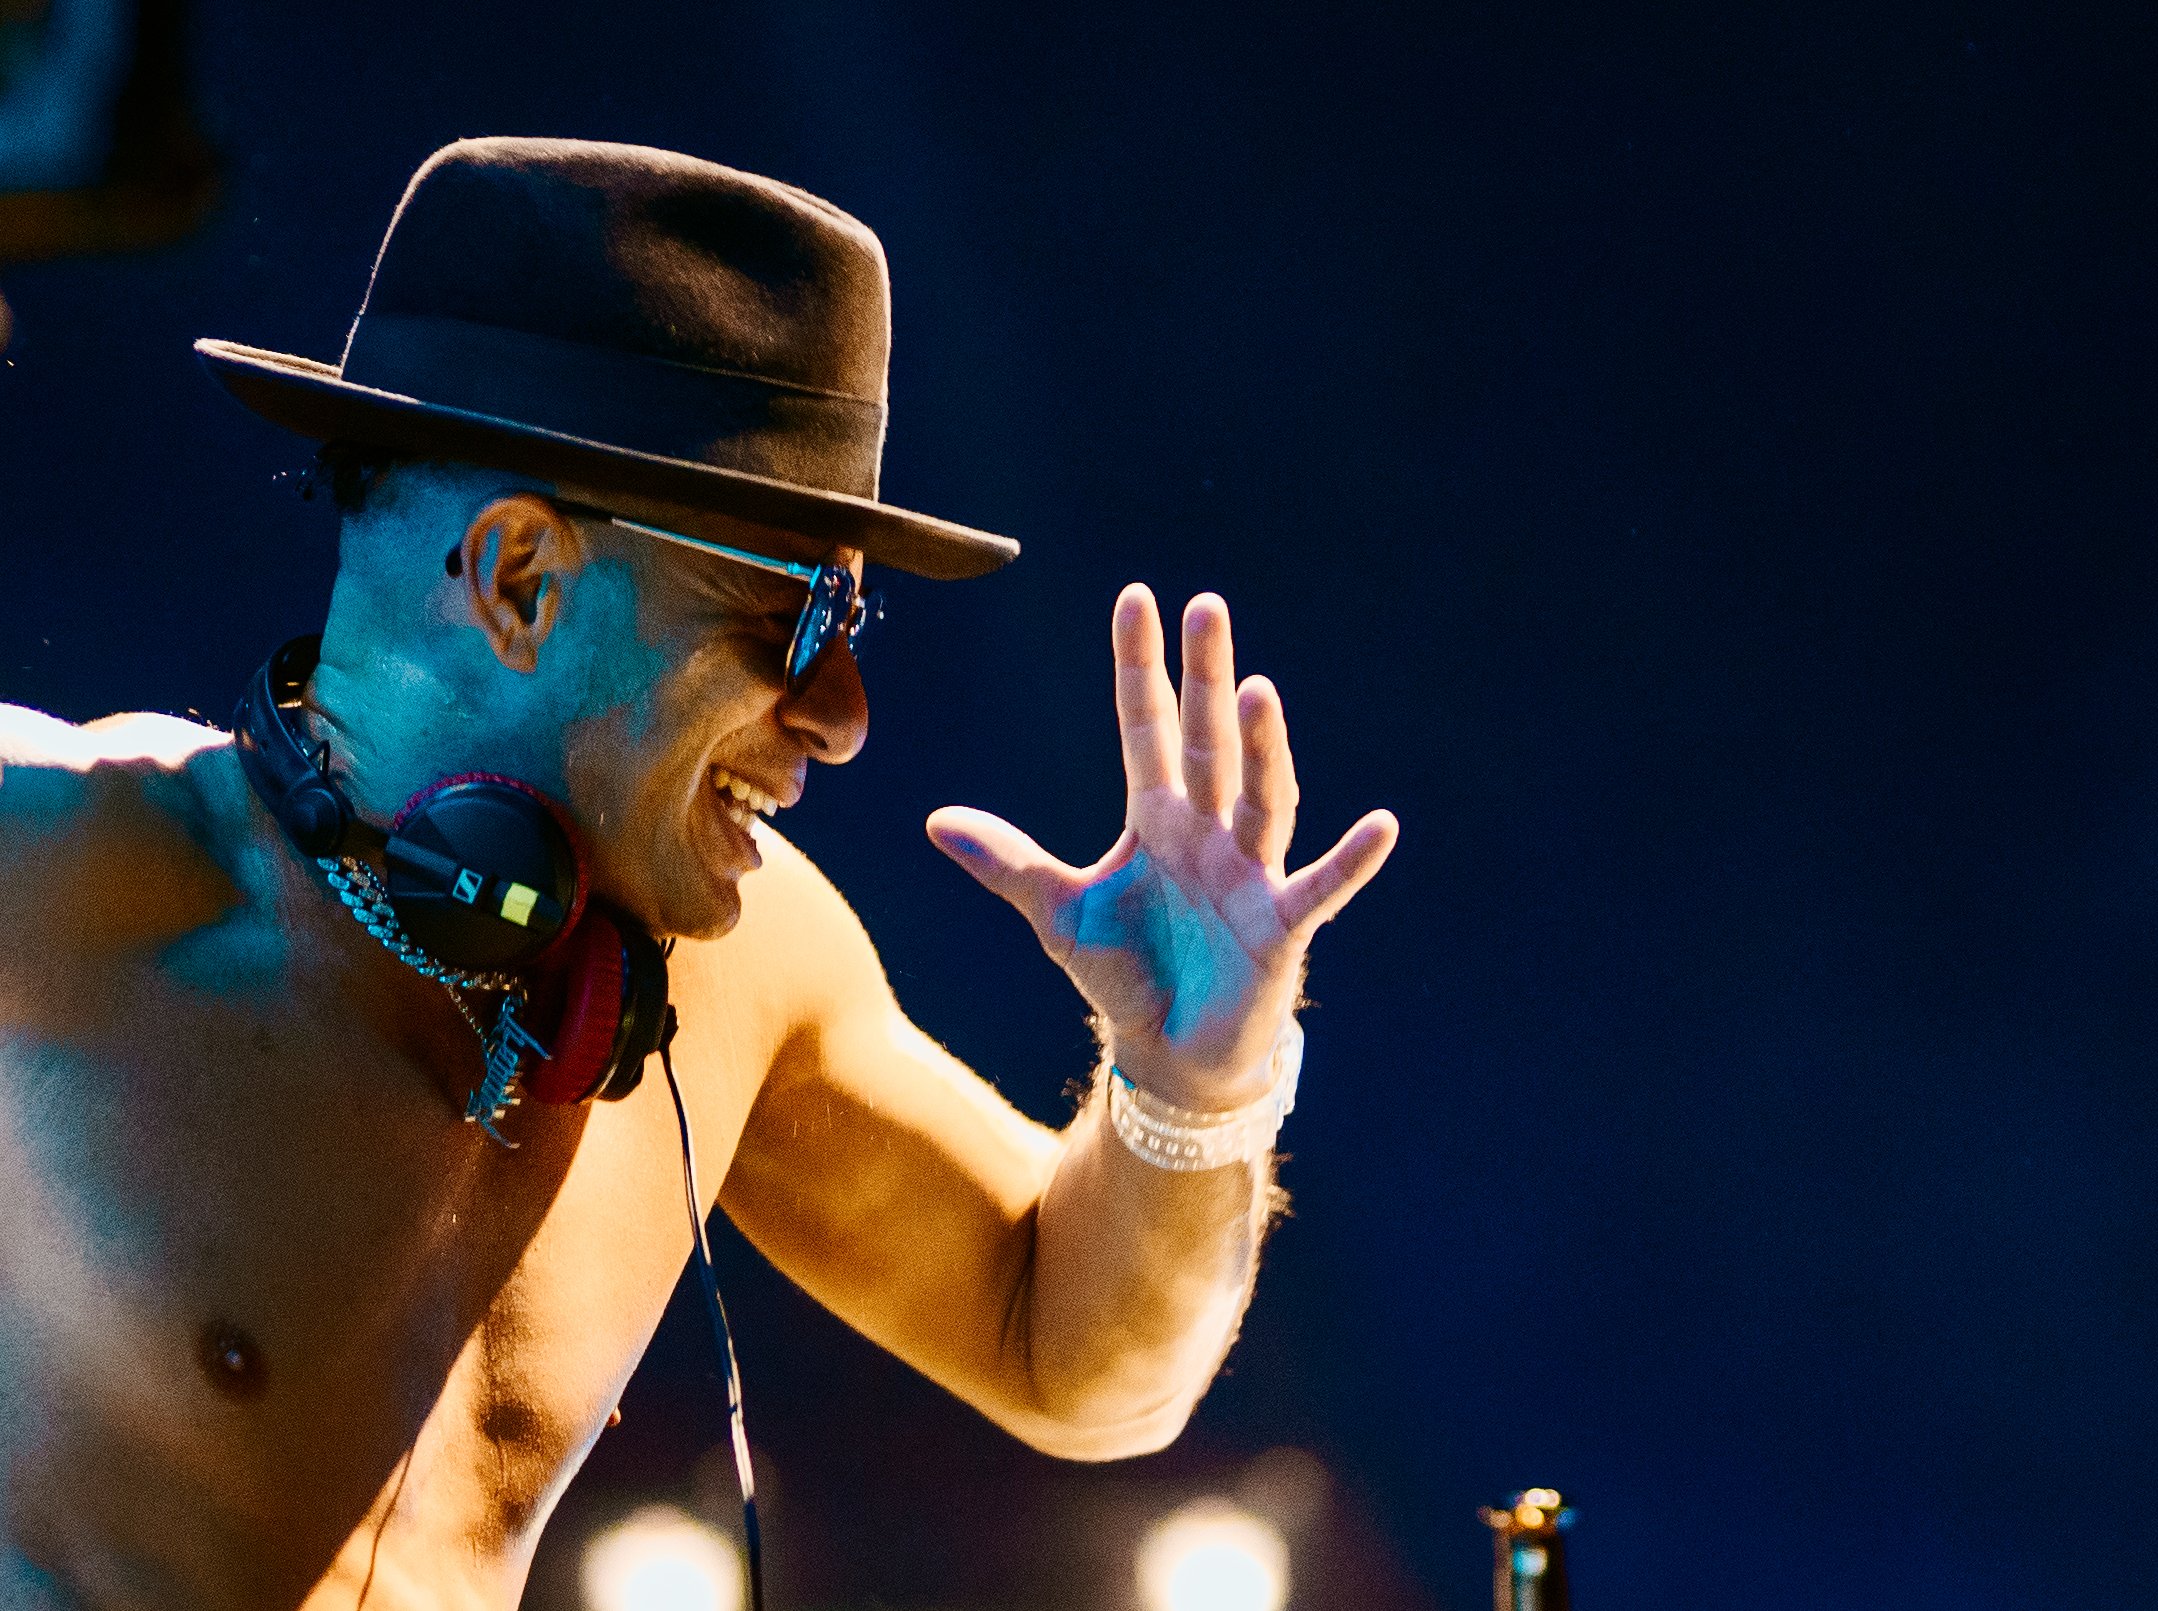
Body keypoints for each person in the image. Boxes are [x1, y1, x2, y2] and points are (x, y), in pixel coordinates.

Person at [0, 138, 1396, 1609]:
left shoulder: (737, 973)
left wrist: (1192, 1085)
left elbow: (1085, 1368)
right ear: (521, 578)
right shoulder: (56, 872)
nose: (845, 717)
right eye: (792, 617)